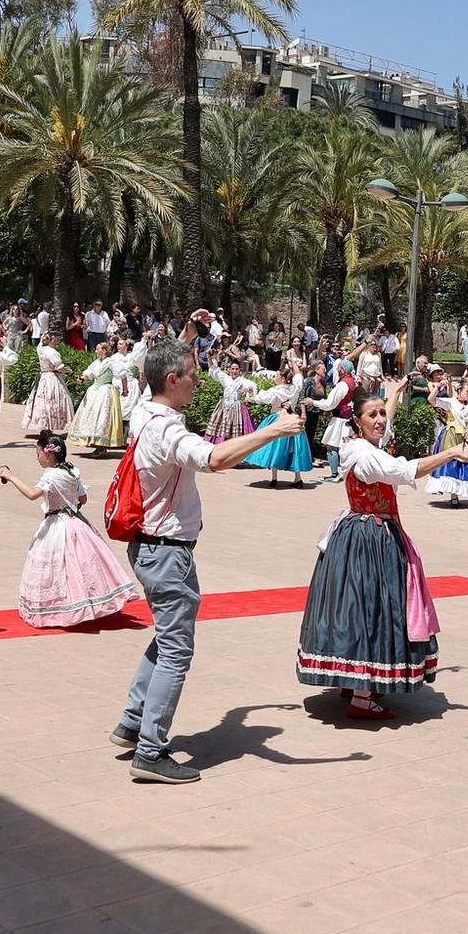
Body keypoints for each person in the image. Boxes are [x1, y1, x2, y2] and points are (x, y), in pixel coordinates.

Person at [108, 316, 306, 784]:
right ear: (171, 381)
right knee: (177, 649)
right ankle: (150, 751)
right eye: (192, 374)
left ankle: (132, 723)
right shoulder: (168, 431)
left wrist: (188, 337)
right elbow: (215, 459)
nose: (199, 381)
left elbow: (154, 366)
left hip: (154, 547)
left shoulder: (144, 409)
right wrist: (273, 430)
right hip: (167, 551)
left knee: (166, 637)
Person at [295, 383, 468, 718]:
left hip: (361, 533)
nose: (380, 420)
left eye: (381, 413)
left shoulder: (359, 445)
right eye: (372, 415)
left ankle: (353, 681)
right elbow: (402, 470)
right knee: (372, 609)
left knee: (354, 608)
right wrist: (451, 453)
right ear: (357, 422)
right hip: (370, 539)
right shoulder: (367, 456)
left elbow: (385, 430)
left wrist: (392, 396)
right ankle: (363, 697)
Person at [0, 432, 138, 627]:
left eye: (38, 453)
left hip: (57, 524)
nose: (37, 457)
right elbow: (83, 499)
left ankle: (63, 609)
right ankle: (86, 603)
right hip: (76, 523)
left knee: (58, 567)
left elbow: (32, 494)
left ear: (49, 455)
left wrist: (11, 476)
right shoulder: (72, 470)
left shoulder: (51, 475)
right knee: (80, 565)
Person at [243, 357, 315, 487]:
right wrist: (293, 363)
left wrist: (251, 393)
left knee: (274, 447)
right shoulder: (295, 388)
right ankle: (298, 478)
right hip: (292, 419)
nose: (275, 378)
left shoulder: (276, 391)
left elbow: (260, 398)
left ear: (282, 378)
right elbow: (299, 376)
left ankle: (274, 478)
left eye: (277, 376)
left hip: (278, 418)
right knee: (295, 448)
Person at [425, 383, 468, 506]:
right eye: (467, 391)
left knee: (465, 464)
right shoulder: (450, 402)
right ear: (459, 391)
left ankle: (458, 491)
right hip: (451, 435)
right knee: (451, 463)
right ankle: (453, 495)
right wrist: (438, 387)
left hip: (466, 436)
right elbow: (431, 400)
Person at [23, 335, 72, 436]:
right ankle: (50, 425)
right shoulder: (52, 352)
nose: (57, 340)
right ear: (51, 340)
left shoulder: (41, 349)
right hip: (52, 377)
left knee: (42, 402)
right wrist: (68, 371)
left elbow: (39, 345)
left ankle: (44, 426)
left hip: (43, 376)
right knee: (52, 401)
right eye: (55, 339)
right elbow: (59, 367)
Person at [204, 356, 257, 443]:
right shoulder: (225, 378)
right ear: (229, 370)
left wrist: (248, 389)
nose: (234, 371)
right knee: (220, 426)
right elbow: (214, 369)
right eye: (232, 369)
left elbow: (252, 387)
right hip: (224, 407)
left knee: (236, 430)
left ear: (240, 370)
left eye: (236, 369)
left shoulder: (242, 381)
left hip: (236, 408)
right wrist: (209, 357)